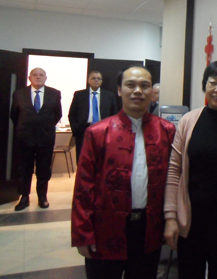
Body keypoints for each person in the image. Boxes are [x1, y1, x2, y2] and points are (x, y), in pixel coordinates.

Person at [71, 66, 176, 279]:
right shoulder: (98, 132)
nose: (138, 91)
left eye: (144, 86)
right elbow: (83, 187)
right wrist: (82, 233)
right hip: (105, 228)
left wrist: (170, 220)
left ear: (152, 91)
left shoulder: (166, 131)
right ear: (119, 90)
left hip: (149, 230)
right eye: (131, 85)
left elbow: (173, 181)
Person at [164, 60, 217, 279]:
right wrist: (170, 217)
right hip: (190, 220)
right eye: (212, 82)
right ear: (205, 85)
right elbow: (174, 171)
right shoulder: (188, 121)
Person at [10, 68, 62, 211]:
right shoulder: (19, 93)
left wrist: (44, 126)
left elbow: (58, 114)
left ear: (46, 78)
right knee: (24, 169)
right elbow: (14, 114)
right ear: (29, 78)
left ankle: (42, 197)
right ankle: (24, 198)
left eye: (41, 75)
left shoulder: (55, 93)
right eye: (35, 75)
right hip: (25, 138)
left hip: (45, 138)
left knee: (44, 169)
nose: (38, 77)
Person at [68, 70, 118, 163]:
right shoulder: (79, 95)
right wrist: (75, 129)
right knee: (83, 159)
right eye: (93, 78)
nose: (96, 80)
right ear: (88, 80)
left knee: (102, 159)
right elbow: (72, 114)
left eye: (99, 78)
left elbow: (114, 115)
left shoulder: (109, 95)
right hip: (84, 130)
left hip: (103, 131)